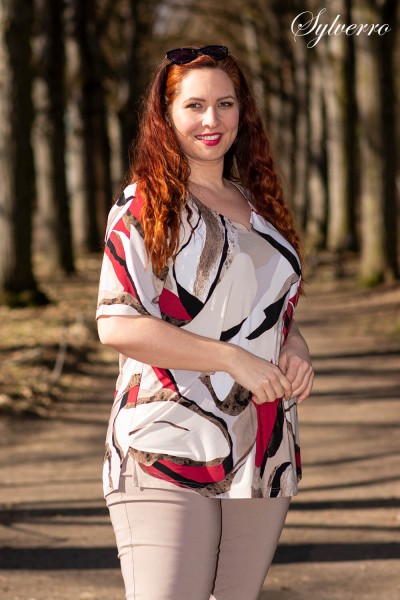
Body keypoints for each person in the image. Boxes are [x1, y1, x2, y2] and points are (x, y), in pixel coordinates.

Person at [96, 44, 314, 600]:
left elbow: (271, 312)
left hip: (262, 446)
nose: (212, 120)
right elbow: (117, 324)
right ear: (166, 116)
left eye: (225, 103)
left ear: (243, 111)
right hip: (166, 440)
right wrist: (231, 359)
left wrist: (294, 346)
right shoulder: (147, 205)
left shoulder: (257, 203)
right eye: (194, 106)